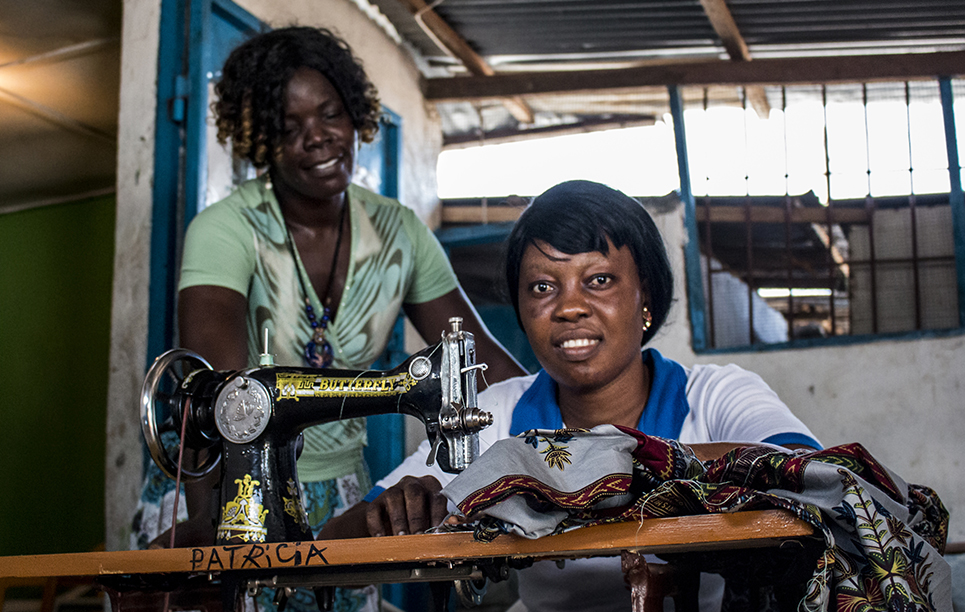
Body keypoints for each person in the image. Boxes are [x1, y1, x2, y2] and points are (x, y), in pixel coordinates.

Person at [130, 24, 525, 609]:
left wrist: (572, 432)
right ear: (259, 139)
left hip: (341, 491)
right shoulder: (226, 231)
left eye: (331, 114)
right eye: (288, 128)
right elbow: (220, 403)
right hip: (214, 489)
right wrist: (217, 532)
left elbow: (485, 366)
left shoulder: (400, 232)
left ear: (355, 114)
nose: (317, 139)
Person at [318, 180, 821, 612]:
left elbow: (817, 479)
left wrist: (601, 465)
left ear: (645, 294)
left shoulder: (715, 396)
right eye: (541, 287)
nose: (569, 307)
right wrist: (394, 512)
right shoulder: (495, 415)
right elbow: (333, 545)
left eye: (599, 280)